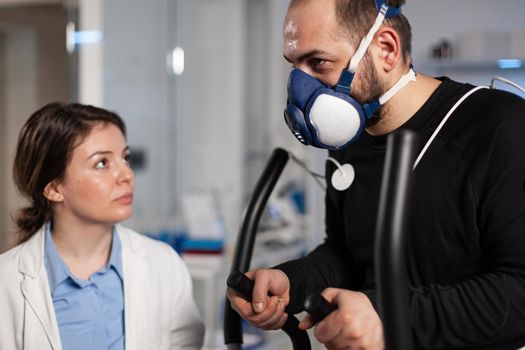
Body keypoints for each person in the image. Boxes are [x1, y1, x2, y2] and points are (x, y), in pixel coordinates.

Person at [227, 0, 525, 349]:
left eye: (318, 62)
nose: (302, 88)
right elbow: (348, 256)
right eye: (295, 65)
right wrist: (290, 282)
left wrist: (386, 315)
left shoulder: (500, 126)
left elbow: (519, 290)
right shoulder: (347, 144)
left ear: (386, 49)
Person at [0, 102, 204, 350]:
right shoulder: (6, 282)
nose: (127, 175)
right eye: (102, 163)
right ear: (54, 188)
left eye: (125, 158)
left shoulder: (165, 265)